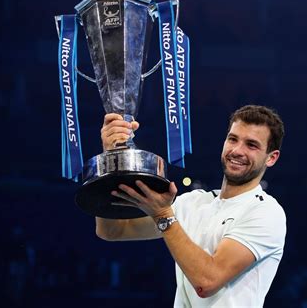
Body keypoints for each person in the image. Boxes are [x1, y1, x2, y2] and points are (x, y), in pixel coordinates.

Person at [96, 105, 287, 307]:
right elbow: (113, 230)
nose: (237, 150)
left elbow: (207, 282)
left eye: (251, 145)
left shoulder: (266, 212)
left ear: (271, 157)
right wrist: (111, 157)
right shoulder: (193, 203)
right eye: (233, 139)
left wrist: (163, 215)